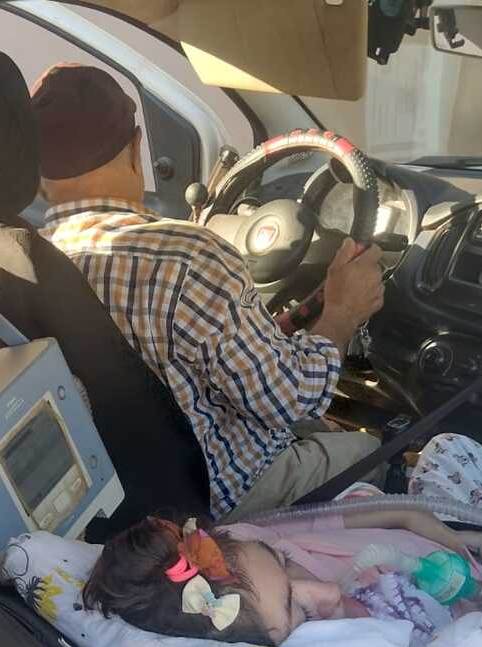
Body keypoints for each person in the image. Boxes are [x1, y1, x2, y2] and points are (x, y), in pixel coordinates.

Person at [30, 64, 385, 522]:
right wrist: (342, 311)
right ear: (137, 148)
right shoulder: (191, 257)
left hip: (137, 494)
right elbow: (289, 399)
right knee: (376, 447)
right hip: (232, 492)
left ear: (40, 173)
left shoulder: (36, 259)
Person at [83, 435, 482, 647]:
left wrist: (447, 535)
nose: (322, 593)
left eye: (288, 565)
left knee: (447, 453)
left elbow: (382, 513)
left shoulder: (245, 544)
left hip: (458, 543)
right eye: (297, 611)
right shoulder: (361, 646)